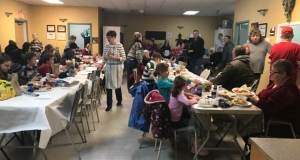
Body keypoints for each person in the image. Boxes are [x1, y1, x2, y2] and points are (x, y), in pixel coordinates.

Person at [243, 59, 300, 158]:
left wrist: (255, 99)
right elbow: (261, 95)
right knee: (242, 125)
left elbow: (269, 107)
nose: (271, 75)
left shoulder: (288, 90)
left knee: (245, 129)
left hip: (279, 125)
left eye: (273, 72)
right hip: (265, 118)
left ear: (283, 74)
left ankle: (254, 155)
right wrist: (255, 97)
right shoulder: (276, 84)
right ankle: (252, 154)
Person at [102, 30, 126, 111]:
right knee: (108, 86)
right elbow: (103, 58)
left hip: (117, 68)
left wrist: (114, 57)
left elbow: (124, 58)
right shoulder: (106, 46)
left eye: (109, 37)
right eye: (107, 37)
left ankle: (119, 100)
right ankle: (109, 104)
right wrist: (107, 55)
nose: (108, 39)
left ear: (114, 37)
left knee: (117, 85)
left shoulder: (119, 45)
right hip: (109, 67)